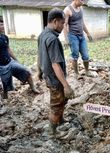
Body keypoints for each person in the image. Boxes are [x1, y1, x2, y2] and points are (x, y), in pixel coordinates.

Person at [37, 8, 74, 136]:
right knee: (57, 105)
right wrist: (66, 85)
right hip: (55, 78)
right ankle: (52, 131)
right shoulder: (53, 40)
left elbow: (39, 54)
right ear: (55, 21)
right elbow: (56, 65)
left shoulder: (42, 34)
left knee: (61, 99)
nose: (63, 25)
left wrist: (39, 70)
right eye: (62, 23)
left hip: (48, 76)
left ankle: (61, 120)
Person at [0, 24, 39, 99]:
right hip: (1, 66)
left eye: (3, 25)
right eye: (1, 25)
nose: (3, 27)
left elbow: (8, 49)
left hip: (10, 62)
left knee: (26, 71)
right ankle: (5, 98)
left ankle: (33, 88)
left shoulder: (4, 37)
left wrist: (16, 60)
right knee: (5, 85)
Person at [63, 0, 93, 77]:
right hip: (72, 36)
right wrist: (66, 39)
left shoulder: (81, 8)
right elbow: (65, 25)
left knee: (86, 55)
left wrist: (88, 33)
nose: (83, 2)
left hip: (81, 36)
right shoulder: (67, 10)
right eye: (82, 0)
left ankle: (87, 71)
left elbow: (82, 22)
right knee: (75, 55)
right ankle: (76, 74)